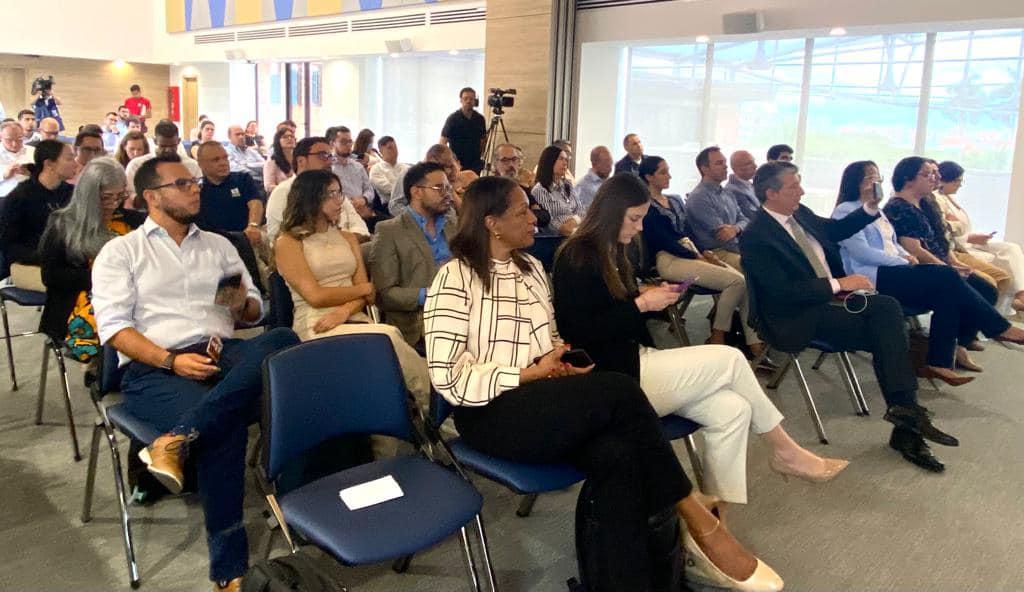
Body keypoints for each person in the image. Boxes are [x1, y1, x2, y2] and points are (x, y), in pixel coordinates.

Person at [424, 174, 783, 592]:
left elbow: (550, 336)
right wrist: (525, 374)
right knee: (619, 388)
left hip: (541, 397)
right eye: (522, 212)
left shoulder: (531, 269)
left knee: (621, 454)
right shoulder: (455, 279)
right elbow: (448, 377)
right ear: (492, 223)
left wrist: (558, 359)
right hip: (489, 412)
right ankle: (696, 515)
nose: (534, 217)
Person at [554, 172, 847, 509]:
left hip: (633, 358)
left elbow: (615, 313)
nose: (640, 227)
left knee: (733, 411)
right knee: (730, 358)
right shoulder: (577, 255)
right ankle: (785, 450)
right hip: (611, 377)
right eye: (634, 218)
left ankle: (716, 515)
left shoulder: (612, 251)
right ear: (611, 211)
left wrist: (647, 300)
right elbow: (579, 331)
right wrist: (640, 304)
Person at [91, 154, 299, 592]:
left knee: (283, 339)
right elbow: (114, 330)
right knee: (224, 426)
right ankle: (229, 569)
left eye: (195, 182)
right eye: (183, 184)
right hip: (155, 367)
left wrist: (242, 306)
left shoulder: (219, 246)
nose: (195, 189)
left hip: (223, 355)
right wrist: (170, 360)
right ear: (152, 196)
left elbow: (253, 313)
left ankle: (178, 438)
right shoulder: (122, 252)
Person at [741, 160, 962, 473]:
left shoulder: (799, 214)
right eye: (793, 186)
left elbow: (834, 230)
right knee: (888, 327)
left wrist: (870, 207)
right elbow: (781, 293)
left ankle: (906, 418)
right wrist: (838, 284)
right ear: (771, 193)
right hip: (795, 316)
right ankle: (907, 421)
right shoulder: (756, 235)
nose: (801, 191)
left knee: (888, 314)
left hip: (827, 304)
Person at [832, 161, 1024, 384]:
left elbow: (893, 244)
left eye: (878, 178)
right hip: (872, 275)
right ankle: (998, 327)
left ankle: (939, 361)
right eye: (870, 178)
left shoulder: (877, 211)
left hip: (895, 269)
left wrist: (904, 256)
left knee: (948, 292)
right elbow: (862, 252)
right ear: (855, 181)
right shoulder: (846, 210)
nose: (876, 182)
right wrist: (902, 260)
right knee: (946, 276)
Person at [274, 169, 429, 403]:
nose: (340, 201)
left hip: (353, 316)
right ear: (311, 197)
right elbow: (316, 296)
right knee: (387, 336)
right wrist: (363, 290)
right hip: (317, 322)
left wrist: (346, 310)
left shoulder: (347, 238)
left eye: (340, 193)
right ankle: (432, 399)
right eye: (332, 194)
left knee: (385, 341)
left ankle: (417, 406)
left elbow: (369, 295)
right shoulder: (288, 242)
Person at [639, 156, 764, 354]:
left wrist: (703, 253)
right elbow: (662, 240)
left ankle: (754, 341)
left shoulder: (674, 200)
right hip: (669, 258)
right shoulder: (647, 206)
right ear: (648, 177)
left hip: (690, 251)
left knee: (744, 280)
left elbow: (689, 231)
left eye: (668, 171)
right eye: (663, 172)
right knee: (736, 281)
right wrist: (696, 256)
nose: (669, 176)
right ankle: (718, 336)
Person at [38, 158, 145, 353]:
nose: (113, 203)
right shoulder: (63, 224)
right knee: (120, 329)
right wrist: (105, 277)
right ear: (89, 194)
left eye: (120, 196)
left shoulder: (133, 222)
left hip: (131, 297)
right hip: (81, 302)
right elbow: (51, 276)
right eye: (106, 197)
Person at [370, 162, 457, 349]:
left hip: (460, 312)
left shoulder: (452, 226)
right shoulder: (389, 231)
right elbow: (384, 294)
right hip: (418, 324)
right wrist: (430, 294)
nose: (447, 194)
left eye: (448, 187)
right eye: (439, 188)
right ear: (416, 192)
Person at [934, 160, 1024, 316]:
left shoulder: (949, 198)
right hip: (957, 246)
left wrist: (965, 232)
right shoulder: (936, 199)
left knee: (1011, 248)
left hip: (964, 240)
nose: (960, 185)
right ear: (945, 179)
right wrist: (961, 231)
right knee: (998, 276)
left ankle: (1020, 294)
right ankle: (997, 311)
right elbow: (946, 229)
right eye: (957, 181)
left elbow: (957, 227)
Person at [0, 140, 75, 291]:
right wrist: (45, 257)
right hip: (30, 265)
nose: (75, 163)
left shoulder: (73, 193)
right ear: (49, 164)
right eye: (69, 159)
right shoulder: (20, 197)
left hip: (66, 262)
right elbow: (9, 245)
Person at [265, 137, 368, 245]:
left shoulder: (334, 189)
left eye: (330, 156)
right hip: (307, 251)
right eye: (323, 155)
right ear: (301, 161)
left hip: (351, 245)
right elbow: (278, 238)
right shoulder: (284, 192)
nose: (329, 161)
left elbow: (359, 226)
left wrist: (347, 242)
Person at [686, 146, 748, 270]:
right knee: (761, 266)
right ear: (705, 169)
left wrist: (735, 228)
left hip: (735, 246)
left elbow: (745, 220)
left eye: (725, 162)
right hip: (718, 252)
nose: (726, 166)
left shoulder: (727, 192)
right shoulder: (699, 197)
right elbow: (724, 238)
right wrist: (750, 250)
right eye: (719, 163)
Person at [195, 141, 264, 246]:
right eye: (216, 160)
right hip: (211, 244)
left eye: (225, 158)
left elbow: (255, 203)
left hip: (245, 238)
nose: (223, 163)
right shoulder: (197, 189)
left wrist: (253, 225)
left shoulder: (243, 179)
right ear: (201, 164)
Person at [125, 120, 203, 204]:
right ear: (155, 141)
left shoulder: (192, 166)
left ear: (179, 141)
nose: (168, 150)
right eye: (163, 146)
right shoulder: (136, 165)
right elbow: (130, 194)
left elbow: (199, 193)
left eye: (172, 146)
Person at [387, 144, 473, 218]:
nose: (448, 171)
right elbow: (394, 206)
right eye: (443, 167)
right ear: (429, 163)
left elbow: (456, 212)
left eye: (450, 166)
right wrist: (419, 217)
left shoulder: (446, 177)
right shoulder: (409, 174)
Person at [492, 143, 551, 229]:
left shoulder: (522, 189)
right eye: (505, 160)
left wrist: (521, 213)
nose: (511, 164)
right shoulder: (490, 190)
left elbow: (545, 217)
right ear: (495, 164)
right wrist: (531, 211)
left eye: (514, 159)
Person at [327, 126, 375, 227]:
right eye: (343, 142)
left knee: (389, 225)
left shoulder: (358, 166)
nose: (348, 145)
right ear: (332, 143)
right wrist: (352, 205)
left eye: (350, 142)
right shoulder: (328, 168)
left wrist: (364, 199)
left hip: (363, 208)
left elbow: (369, 189)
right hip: (342, 213)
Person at [531, 144, 584, 236]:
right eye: (561, 159)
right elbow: (549, 222)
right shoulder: (540, 190)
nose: (565, 163)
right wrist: (567, 228)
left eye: (566, 160)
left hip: (576, 232)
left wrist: (573, 222)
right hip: (556, 237)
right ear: (549, 161)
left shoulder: (568, 185)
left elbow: (581, 211)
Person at [439, 87, 486, 174]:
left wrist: (481, 155)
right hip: (457, 162)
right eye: (465, 98)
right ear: (461, 100)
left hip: (475, 163)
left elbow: (483, 140)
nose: (468, 101)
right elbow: (442, 142)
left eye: (471, 99)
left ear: (475, 101)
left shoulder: (480, 119)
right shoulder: (452, 119)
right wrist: (449, 160)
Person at [368, 135, 408, 201]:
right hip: (390, 204)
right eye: (390, 148)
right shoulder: (376, 169)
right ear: (381, 151)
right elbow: (390, 190)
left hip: (410, 202)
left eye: (395, 147)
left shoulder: (405, 168)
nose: (394, 150)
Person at [1, 121, 34, 198]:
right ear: (1, 137)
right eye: (9, 140)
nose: (14, 144)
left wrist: (31, 173)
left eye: (19, 139)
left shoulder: (33, 151)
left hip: (31, 197)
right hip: (4, 198)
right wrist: (4, 175)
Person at [725, 150, 760, 221]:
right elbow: (750, 217)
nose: (755, 166)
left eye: (753, 161)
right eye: (749, 163)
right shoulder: (733, 191)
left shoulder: (751, 185)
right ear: (735, 168)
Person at [577, 145, 613, 209]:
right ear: (595, 163)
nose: (610, 169)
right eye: (606, 164)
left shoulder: (610, 182)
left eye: (611, 163)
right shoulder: (583, 187)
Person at [262, 127, 295, 194]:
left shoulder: (298, 160)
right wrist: (289, 190)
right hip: (281, 195)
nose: (289, 138)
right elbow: (268, 187)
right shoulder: (271, 162)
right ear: (278, 141)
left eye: (292, 136)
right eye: (285, 137)